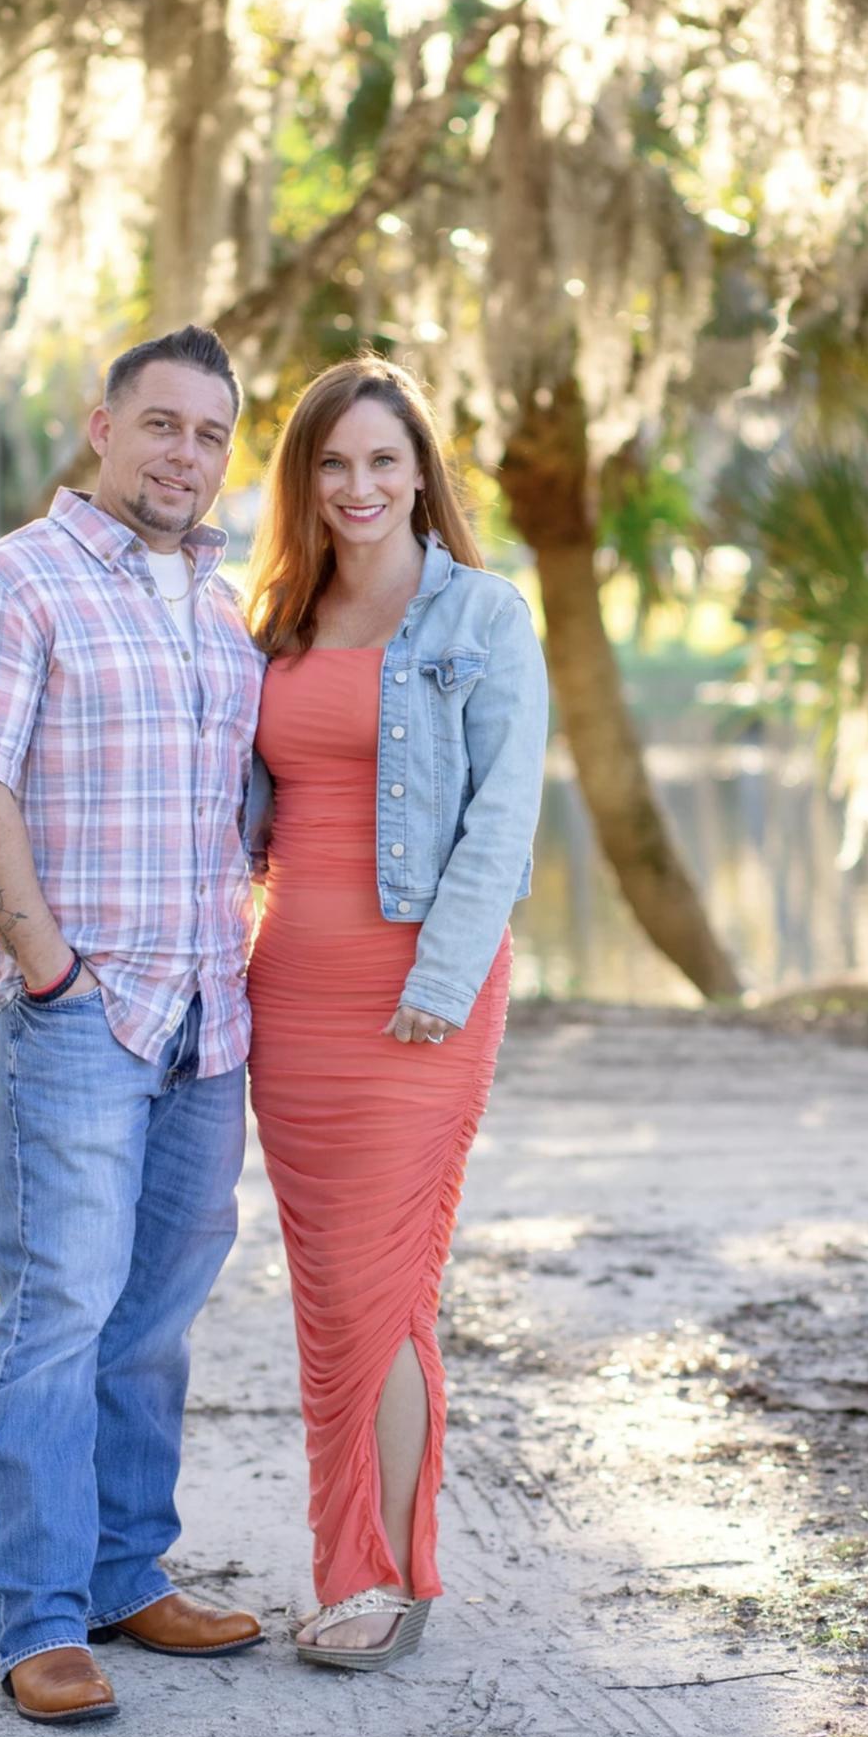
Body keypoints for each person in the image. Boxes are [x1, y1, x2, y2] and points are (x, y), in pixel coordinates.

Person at [0, 324, 267, 1726]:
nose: (187, 455)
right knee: (56, 1309)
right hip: (80, 1014)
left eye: (212, 435)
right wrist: (51, 972)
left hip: (208, 1024)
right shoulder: (8, 588)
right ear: (100, 427)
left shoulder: (218, 608)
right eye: (162, 425)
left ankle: (126, 1568)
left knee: (157, 1315)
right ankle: (40, 1615)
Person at [243, 354, 547, 1670]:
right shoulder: (278, 618)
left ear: (422, 469)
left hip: (422, 993)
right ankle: (374, 1559)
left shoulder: (484, 618)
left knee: (376, 1285)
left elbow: (502, 823)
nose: (358, 484)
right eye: (331, 462)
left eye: (381, 459)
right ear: (304, 480)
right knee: (338, 1296)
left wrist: (440, 981)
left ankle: (374, 1575)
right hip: (289, 996)